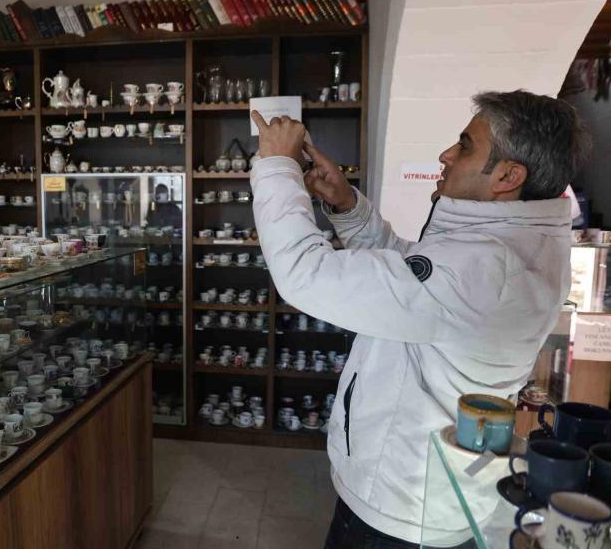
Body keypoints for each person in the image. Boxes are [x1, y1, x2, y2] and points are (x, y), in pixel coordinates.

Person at [249, 90, 591, 548]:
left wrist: (277, 166)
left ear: (508, 177)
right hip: (419, 497)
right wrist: (349, 207)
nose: (446, 155)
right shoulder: (507, 248)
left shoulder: (487, 269)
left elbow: (304, 274)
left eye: (465, 146)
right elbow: (411, 278)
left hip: (401, 514)